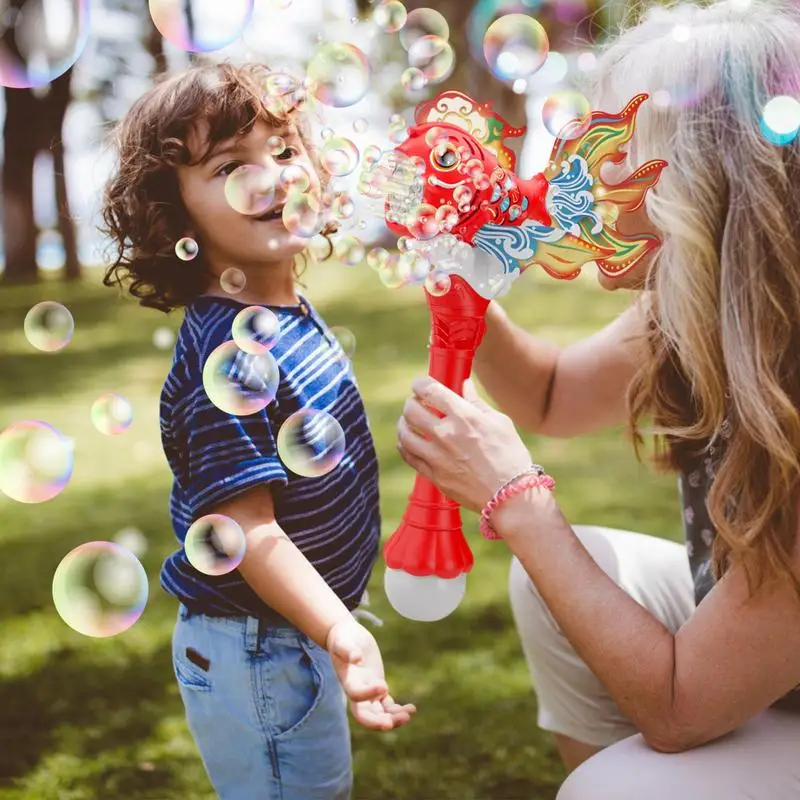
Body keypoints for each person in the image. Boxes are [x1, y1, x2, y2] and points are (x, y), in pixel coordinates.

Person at [395, 0, 800, 797]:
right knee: (571, 582)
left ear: (702, 179)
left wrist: (515, 497)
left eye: (615, 142)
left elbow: (680, 709)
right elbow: (549, 396)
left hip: (742, 683)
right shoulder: (700, 305)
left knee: (614, 787)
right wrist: (458, 280)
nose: (581, 168)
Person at [100, 61, 415, 800]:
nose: (271, 177)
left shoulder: (287, 318)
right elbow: (249, 533)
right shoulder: (231, 356)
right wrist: (342, 632)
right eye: (229, 166)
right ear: (174, 216)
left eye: (282, 150)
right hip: (259, 648)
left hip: (287, 633)